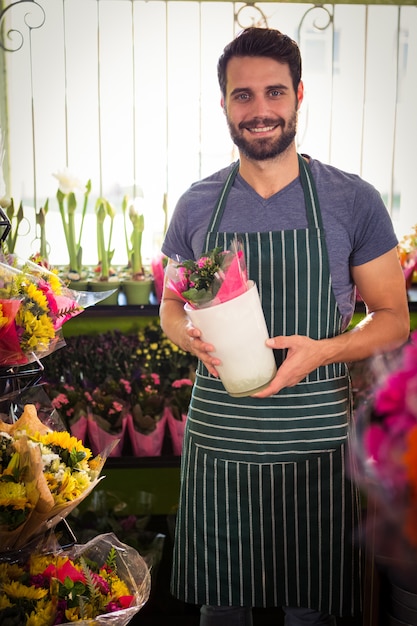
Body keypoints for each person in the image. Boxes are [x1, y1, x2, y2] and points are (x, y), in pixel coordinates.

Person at [159, 27, 410, 626]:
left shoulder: (353, 200)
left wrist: (322, 351)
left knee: (310, 612)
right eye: (243, 96)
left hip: (315, 442)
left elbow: (395, 320)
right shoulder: (197, 204)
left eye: (275, 92)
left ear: (298, 95)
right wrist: (181, 333)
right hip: (223, 443)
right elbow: (170, 303)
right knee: (221, 609)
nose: (260, 109)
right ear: (224, 104)